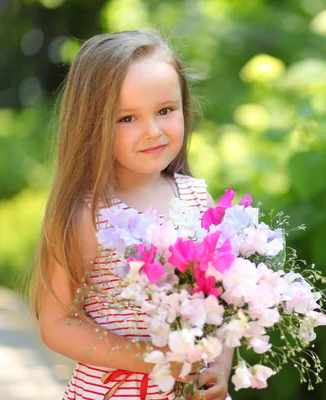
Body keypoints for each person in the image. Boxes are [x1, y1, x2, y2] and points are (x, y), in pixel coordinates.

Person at [30, 30, 233, 400]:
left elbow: (221, 299)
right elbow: (57, 324)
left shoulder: (196, 197)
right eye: (127, 118)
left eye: (165, 111)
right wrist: (152, 358)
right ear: (92, 125)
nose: (152, 131)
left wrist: (221, 363)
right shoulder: (88, 215)